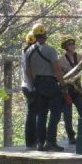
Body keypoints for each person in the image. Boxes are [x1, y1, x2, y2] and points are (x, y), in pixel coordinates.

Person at [25, 23, 70, 152]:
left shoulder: (28, 51)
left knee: (42, 114)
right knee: (55, 113)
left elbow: (28, 71)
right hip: (50, 83)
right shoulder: (50, 50)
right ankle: (51, 141)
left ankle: (40, 142)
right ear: (44, 36)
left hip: (37, 84)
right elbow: (56, 69)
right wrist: (63, 85)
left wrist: (33, 84)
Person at [58, 35, 82, 144]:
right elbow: (60, 76)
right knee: (67, 115)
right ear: (65, 46)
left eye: (73, 43)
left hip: (78, 88)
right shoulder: (61, 60)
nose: (72, 46)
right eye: (69, 44)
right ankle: (71, 137)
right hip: (67, 89)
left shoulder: (80, 57)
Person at [21, 31, 37, 149]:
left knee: (32, 114)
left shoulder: (25, 52)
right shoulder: (30, 53)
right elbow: (29, 71)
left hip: (26, 85)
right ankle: (32, 140)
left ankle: (31, 140)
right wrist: (34, 86)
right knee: (33, 114)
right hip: (30, 86)